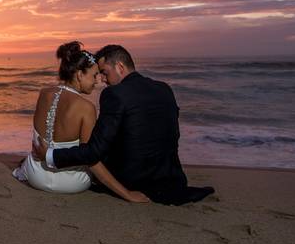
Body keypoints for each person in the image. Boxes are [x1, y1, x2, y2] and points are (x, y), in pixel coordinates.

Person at [39, 44, 214, 205]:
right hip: (171, 178)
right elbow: (172, 135)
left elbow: (95, 151)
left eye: (105, 73)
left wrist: (50, 155)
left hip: (133, 180)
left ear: (120, 67)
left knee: (96, 151)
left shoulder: (115, 94)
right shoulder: (164, 88)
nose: (103, 80)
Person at [13, 41, 150, 203]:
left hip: (35, 175)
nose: (98, 81)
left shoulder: (44, 94)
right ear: (79, 75)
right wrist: (127, 194)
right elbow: (90, 158)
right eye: (93, 75)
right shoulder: (86, 108)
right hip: (71, 183)